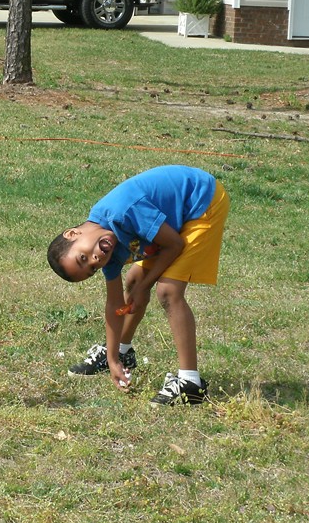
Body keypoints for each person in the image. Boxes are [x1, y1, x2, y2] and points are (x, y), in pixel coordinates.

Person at [47, 165, 230, 406]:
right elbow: (115, 305)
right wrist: (112, 358)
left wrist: (146, 286)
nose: (95, 260)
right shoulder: (107, 250)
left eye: (83, 257)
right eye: (91, 269)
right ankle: (122, 352)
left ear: (72, 234)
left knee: (168, 291)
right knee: (133, 281)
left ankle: (190, 383)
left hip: (202, 201)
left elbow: (174, 245)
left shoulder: (123, 212)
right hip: (173, 219)